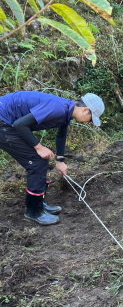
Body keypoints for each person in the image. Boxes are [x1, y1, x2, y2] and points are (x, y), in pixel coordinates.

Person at [0, 92, 105, 225]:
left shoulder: (66, 111)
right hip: (3, 121)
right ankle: (34, 211)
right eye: (91, 119)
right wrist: (39, 147)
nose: (89, 122)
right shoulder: (58, 108)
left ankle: (39, 203)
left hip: (9, 122)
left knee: (39, 161)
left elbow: (61, 135)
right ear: (85, 110)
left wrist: (60, 161)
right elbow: (20, 124)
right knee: (37, 162)